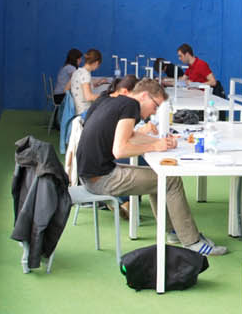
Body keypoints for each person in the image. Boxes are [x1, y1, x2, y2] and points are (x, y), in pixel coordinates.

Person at [72, 78, 227, 256]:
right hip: (101, 179)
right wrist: (154, 147)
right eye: (155, 106)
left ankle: (174, 231)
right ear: (144, 96)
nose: (153, 112)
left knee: (159, 176)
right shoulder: (130, 105)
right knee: (170, 180)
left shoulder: (107, 99)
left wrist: (161, 142)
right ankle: (192, 242)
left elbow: (130, 135)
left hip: (89, 174)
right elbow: (120, 150)